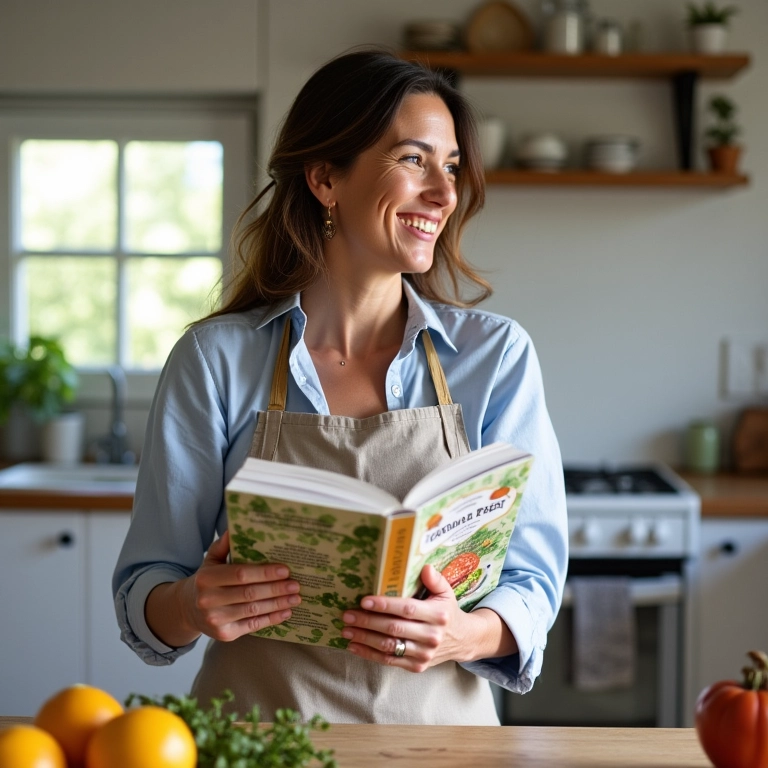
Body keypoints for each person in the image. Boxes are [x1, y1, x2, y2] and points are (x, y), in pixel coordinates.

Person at [113, 48, 567, 726]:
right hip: (258, 744)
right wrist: (189, 604)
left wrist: (465, 634)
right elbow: (146, 586)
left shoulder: (495, 358)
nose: (444, 194)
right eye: (413, 160)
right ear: (326, 178)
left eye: (449, 167)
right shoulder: (214, 360)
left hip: (441, 749)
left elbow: (532, 580)